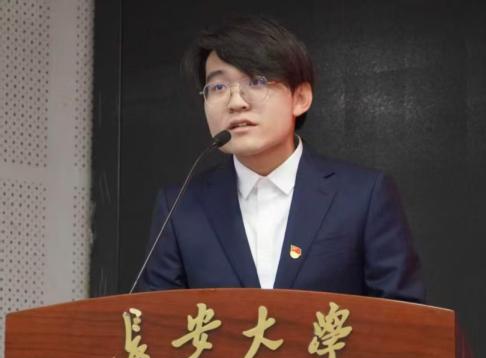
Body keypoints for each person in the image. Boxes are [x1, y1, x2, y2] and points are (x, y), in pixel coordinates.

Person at [138, 16, 424, 301]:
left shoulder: (363, 196)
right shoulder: (180, 206)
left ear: (300, 98)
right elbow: (152, 319)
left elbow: (404, 316)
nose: (236, 102)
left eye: (256, 81)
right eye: (218, 87)